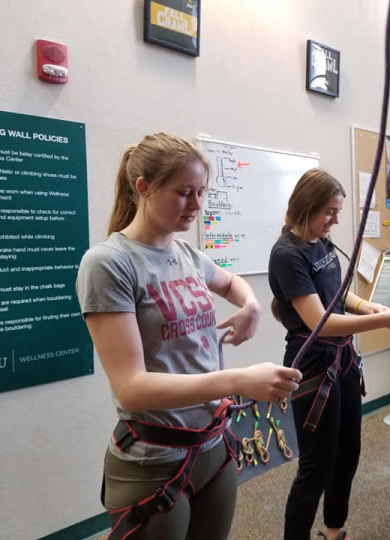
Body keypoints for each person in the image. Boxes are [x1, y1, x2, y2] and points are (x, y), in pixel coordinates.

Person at [76, 133, 302, 540]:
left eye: (201, 192)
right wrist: (238, 381)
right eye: (183, 193)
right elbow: (132, 388)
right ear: (144, 187)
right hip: (154, 460)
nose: (196, 205)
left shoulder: (189, 256)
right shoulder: (109, 264)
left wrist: (249, 304)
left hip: (212, 448)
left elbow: (232, 282)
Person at [268, 169, 390, 540]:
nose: (335, 220)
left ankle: (334, 532)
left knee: (347, 454)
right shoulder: (287, 254)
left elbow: (337, 294)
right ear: (307, 206)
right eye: (330, 212)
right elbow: (318, 321)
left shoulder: (322, 243)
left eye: (338, 211)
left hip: (343, 360)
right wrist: (382, 322)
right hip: (312, 366)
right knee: (316, 467)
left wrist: (368, 306)